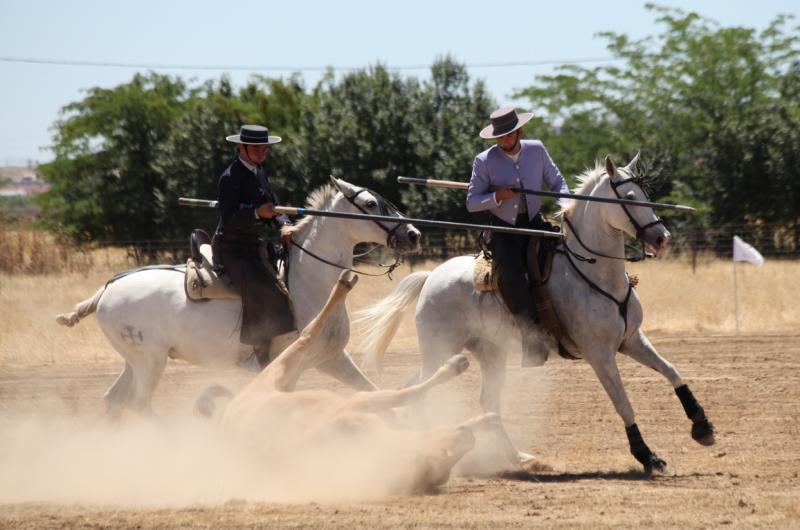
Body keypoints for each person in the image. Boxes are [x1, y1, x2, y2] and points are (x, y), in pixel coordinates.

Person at [466, 107, 569, 367]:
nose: (503, 141)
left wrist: (566, 204)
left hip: (535, 222)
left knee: (568, 253)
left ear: (519, 131)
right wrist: (497, 197)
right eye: (499, 137)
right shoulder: (484, 160)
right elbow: (472, 202)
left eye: (508, 135)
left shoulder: (537, 149)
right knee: (511, 276)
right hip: (505, 230)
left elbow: (557, 181)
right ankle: (531, 339)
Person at [212, 124, 296, 365]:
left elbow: (273, 204)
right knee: (266, 292)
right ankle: (256, 354)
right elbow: (228, 219)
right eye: (256, 148)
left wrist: (284, 224)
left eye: (265, 149)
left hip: (254, 245)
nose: (261, 153)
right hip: (232, 249)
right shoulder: (229, 178)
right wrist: (257, 214)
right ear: (242, 147)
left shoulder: (259, 171)